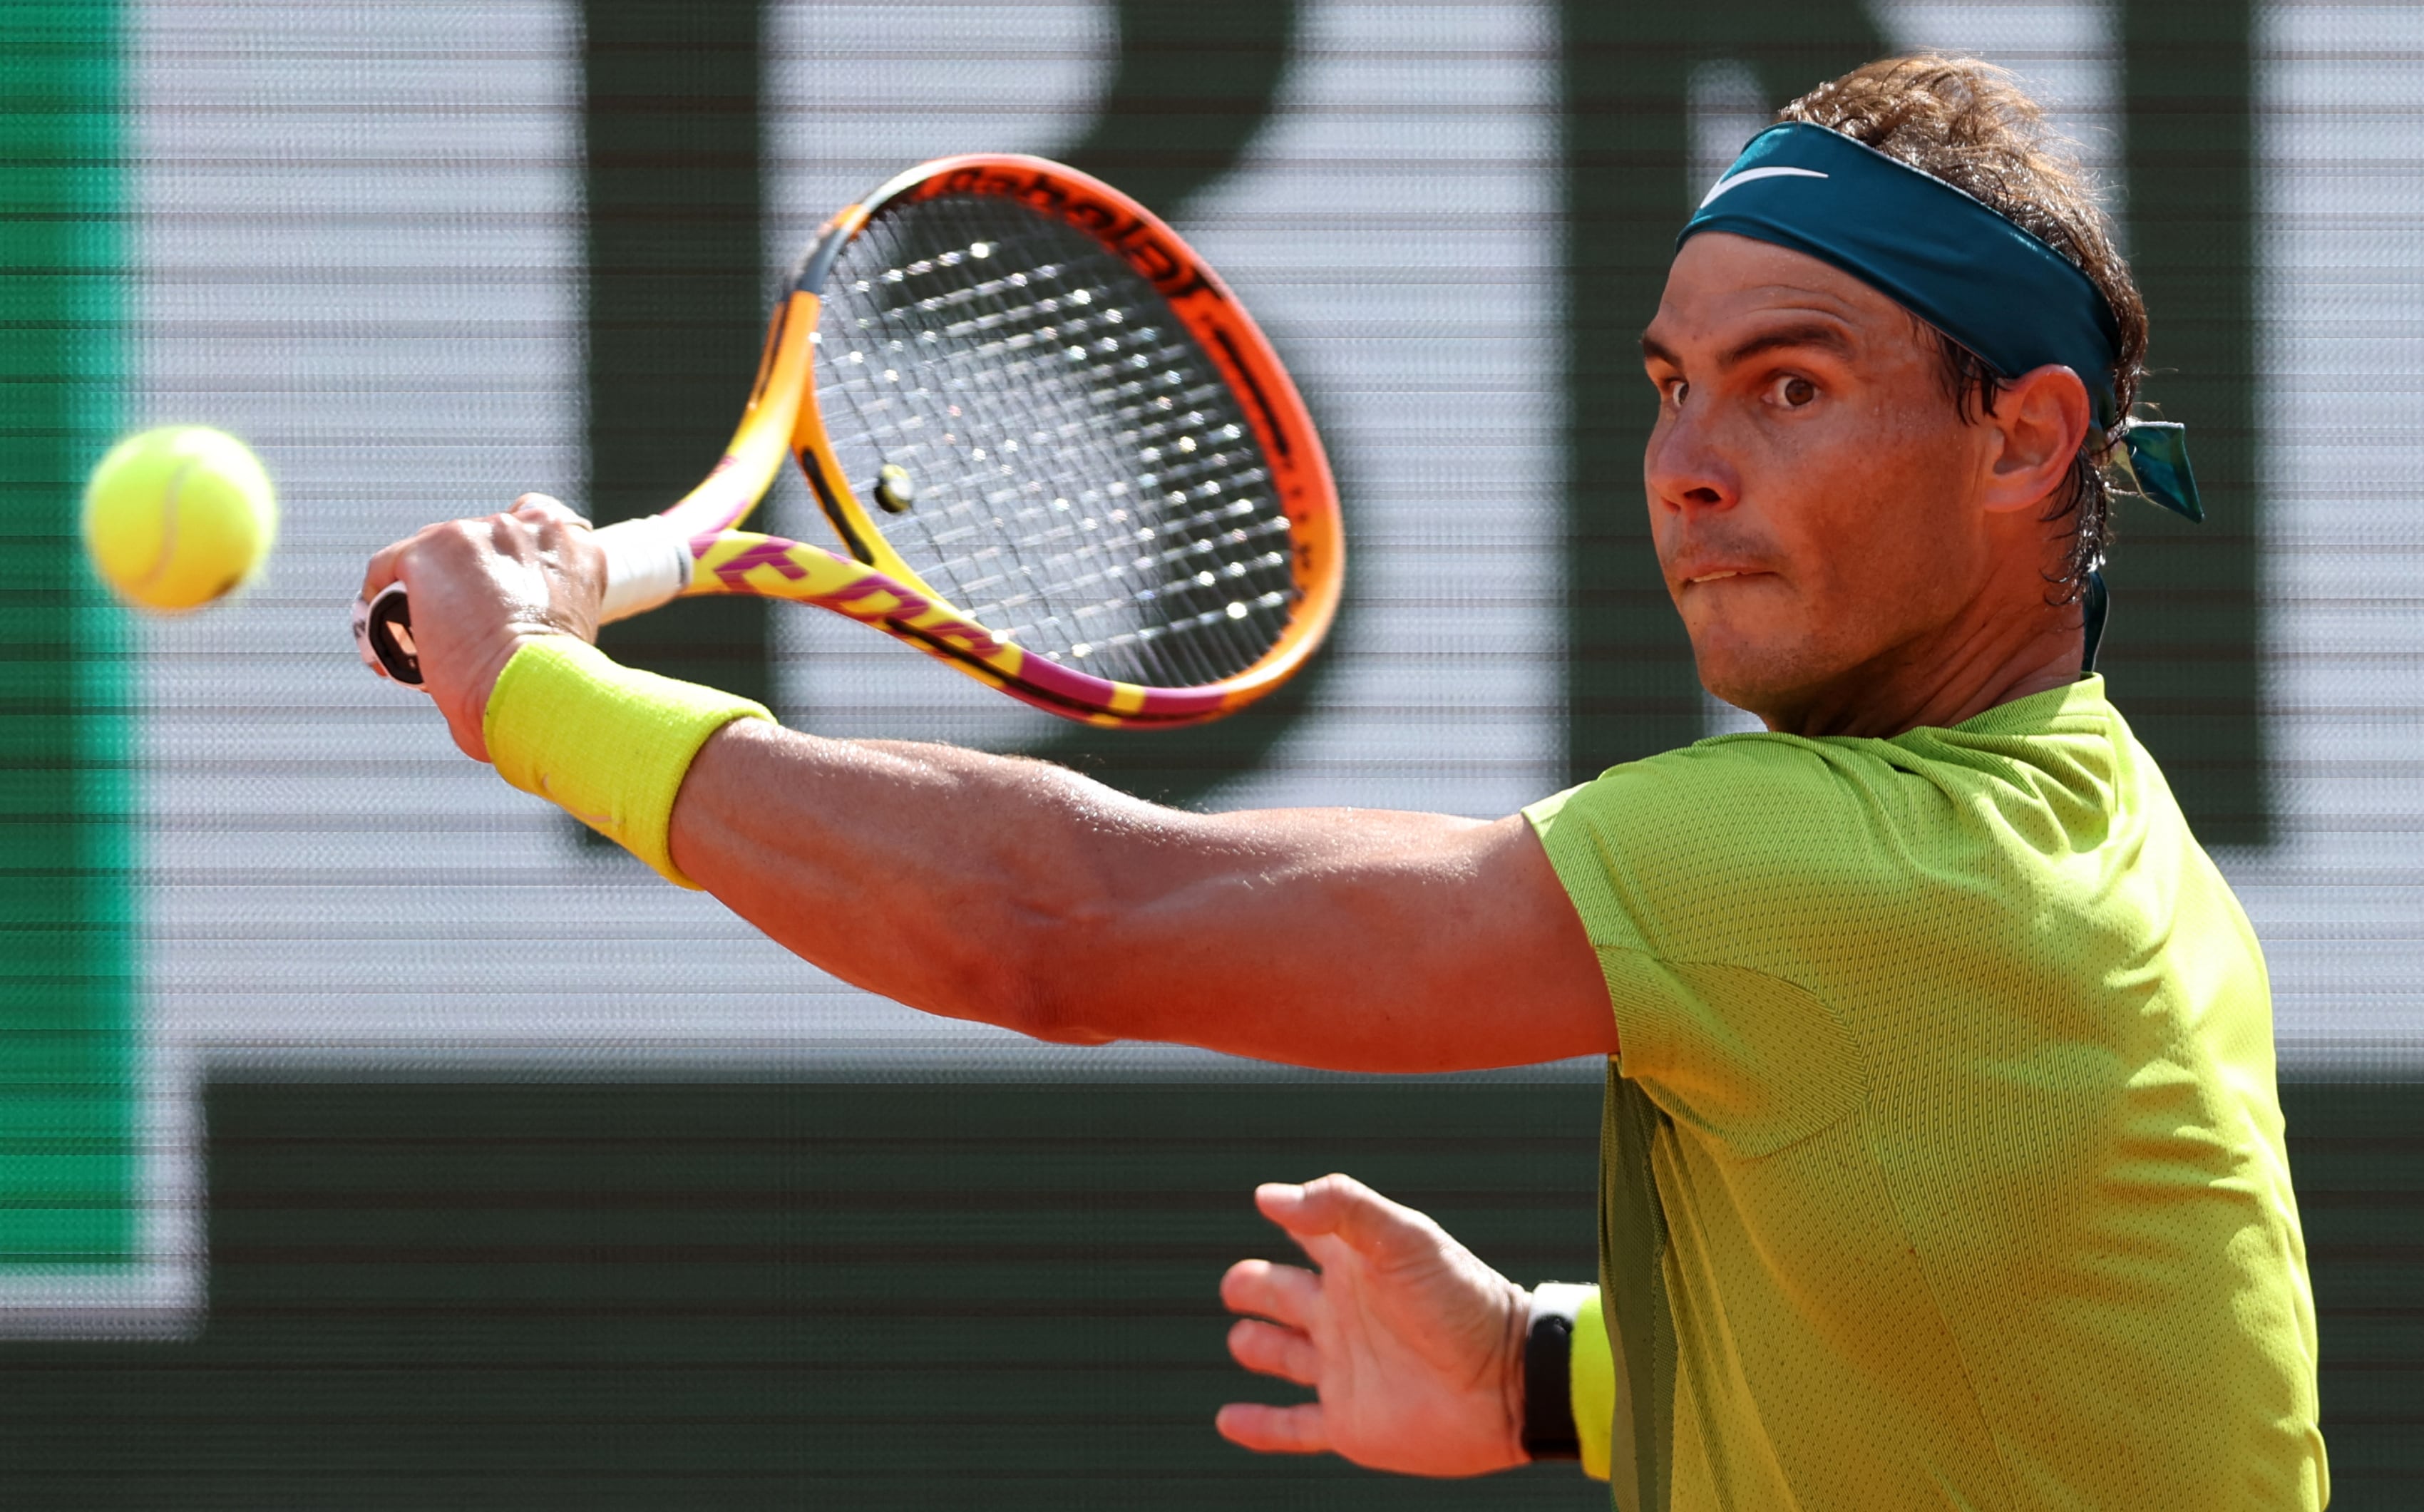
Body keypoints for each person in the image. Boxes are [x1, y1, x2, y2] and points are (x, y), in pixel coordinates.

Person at [363, 54, 2325, 1510]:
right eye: (1671, 385)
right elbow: (1966, 1366)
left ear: (2024, 439)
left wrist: (535, 695)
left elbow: (1058, 928)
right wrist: (1549, 1374)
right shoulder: (2105, 840)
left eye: (1789, 385)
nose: (1686, 466)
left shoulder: (1854, 876)